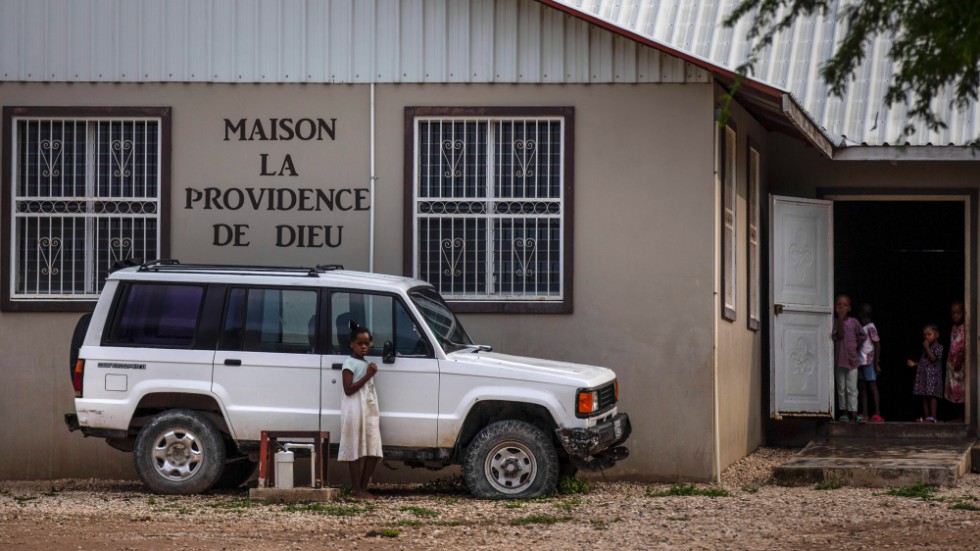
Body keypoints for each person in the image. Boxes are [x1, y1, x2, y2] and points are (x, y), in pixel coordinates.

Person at [339, 326, 383, 499]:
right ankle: (357, 490)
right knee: (355, 449)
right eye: (360, 343)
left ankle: (363, 488)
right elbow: (348, 389)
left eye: (366, 343)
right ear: (352, 344)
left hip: (368, 411)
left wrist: (368, 371)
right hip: (354, 410)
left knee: (373, 449)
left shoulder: (365, 364)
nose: (363, 347)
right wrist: (368, 375)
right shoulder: (349, 363)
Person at [832, 294, 866, 422]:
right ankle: (844, 412)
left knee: (852, 388)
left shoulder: (854, 322)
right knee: (841, 388)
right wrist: (840, 319)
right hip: (840, 362)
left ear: (849, 308)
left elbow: (862, 335)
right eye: (839, 305)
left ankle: (853, 412)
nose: (842, 307)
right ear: (836, 308)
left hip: (852, 361)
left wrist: (856, 344)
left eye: (844, 305)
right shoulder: (835, 322)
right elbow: (839, 335)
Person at [907, 323, 944, 423]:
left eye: (929, 334)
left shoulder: (939, 347)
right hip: (925, 377)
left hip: (933, 378)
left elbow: (933, 358)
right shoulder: (925, 350)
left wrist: (927, 348)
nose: (926, 337)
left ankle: (933, 417)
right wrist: (914, 364)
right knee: (924, 396)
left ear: (937, 335)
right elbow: (924, 362)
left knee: (932, 396)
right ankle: (927, 417)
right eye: (924, 335)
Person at [856, 304, 882, 423]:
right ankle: (865, 412)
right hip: (860, 361)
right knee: (862, 387)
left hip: (869, 361)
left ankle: (877, 413)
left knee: (872, 386)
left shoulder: (871, 327)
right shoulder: (862, 327)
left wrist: (876, 363)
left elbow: (877, 345)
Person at [945, 301, 967, 422]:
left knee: (961, 390)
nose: (955, 316)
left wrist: (960, 359)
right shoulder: (954, 327)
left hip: (961, 363)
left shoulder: (965, 327)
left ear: (963, 313)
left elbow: (965, 345)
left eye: (958, 313)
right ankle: (959, 416)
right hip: (952, 363)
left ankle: (964, 417)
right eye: (953, 313)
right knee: (953, 390)